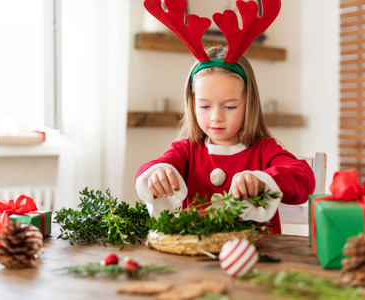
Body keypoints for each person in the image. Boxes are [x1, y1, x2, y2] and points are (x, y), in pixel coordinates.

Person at [135, 46, 315, 234]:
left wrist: (264, 181)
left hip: (259, 258)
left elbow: (304, 177)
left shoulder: (264, 149)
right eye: (205, 106)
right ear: (194, 103)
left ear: (248, 104)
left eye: (229, 107)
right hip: (198, 258)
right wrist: (158, 174)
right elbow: (148, 169)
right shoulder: (187, 150)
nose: (216, 117)